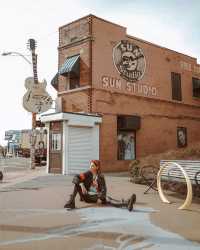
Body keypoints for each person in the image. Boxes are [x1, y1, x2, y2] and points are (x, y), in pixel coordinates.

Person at [64, 160, 136, 212]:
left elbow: (104, 189)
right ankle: (71, 202)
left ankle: (126, 203)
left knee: (110, 201)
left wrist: (101, 197)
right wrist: (81, 184)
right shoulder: (88, 173)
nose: (90, 167)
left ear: (97, 167)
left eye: (92, 166)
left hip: (94, 197)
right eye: (90, 165)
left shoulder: (101, 177)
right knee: (77, 184)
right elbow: (76, 177)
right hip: (85, 195)